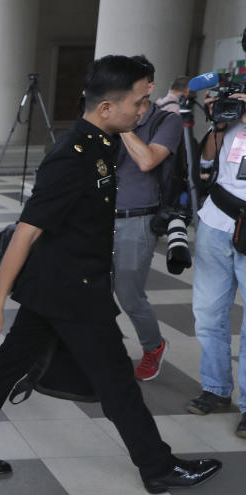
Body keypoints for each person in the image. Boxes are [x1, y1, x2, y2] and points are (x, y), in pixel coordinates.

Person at [0, 55, 221, 495]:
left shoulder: (104, 143)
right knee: (116, 382)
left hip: (61, 285)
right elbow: (27, 231)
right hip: (72, 291)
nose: (145, 110)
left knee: (9, 364)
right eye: (140, 102)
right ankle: (157, 466)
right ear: (106, 108)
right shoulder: (71, 156)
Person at [112, 56, 182, 381]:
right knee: (94, 290)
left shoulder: (166, 121)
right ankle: (104, 351)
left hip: (137, 219)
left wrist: (124, 125)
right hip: (99, 217)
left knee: (129, 294)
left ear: (150, 86)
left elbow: (147, 161)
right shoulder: (110, 115)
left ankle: (153, 345)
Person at [186, 86, 246, 437]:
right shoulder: (231, 107)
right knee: (208, 313)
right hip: (216, 221)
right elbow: (206, 164)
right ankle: (215, 388)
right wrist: (220, 125)